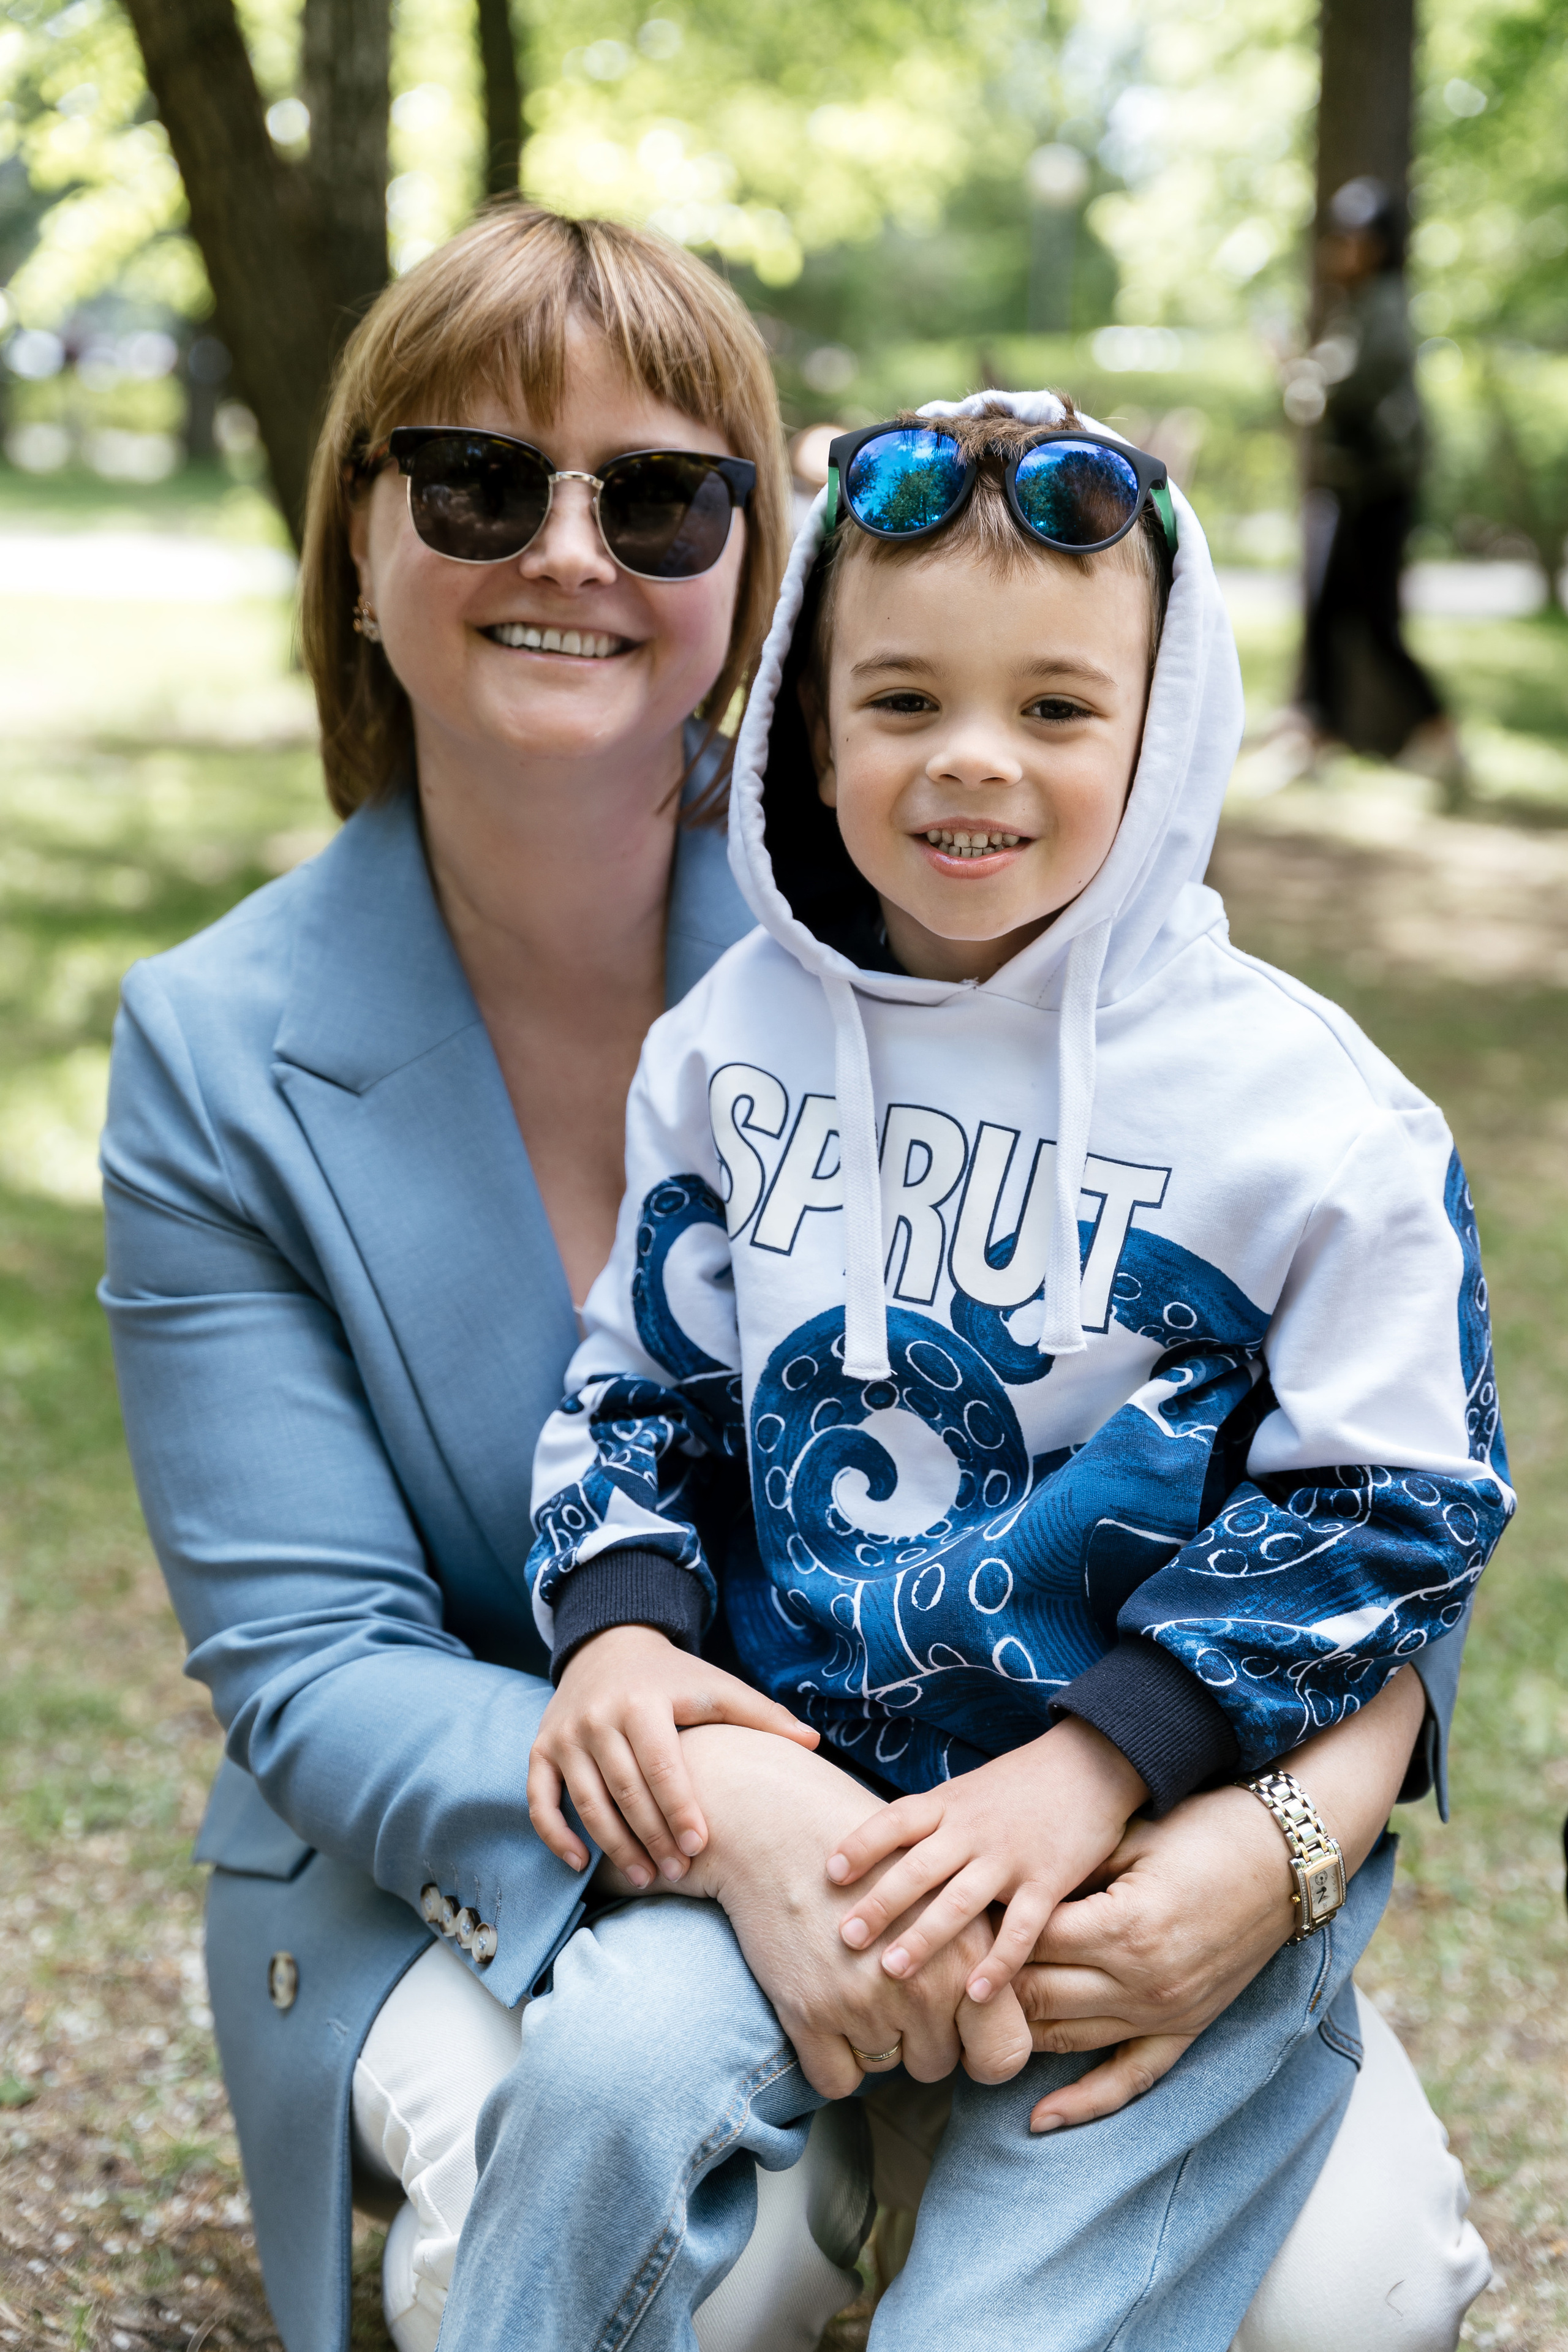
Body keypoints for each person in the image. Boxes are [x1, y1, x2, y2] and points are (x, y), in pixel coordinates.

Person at [98, 198, 1484, 2352]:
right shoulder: (241, 1048)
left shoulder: (1011, 936)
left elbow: (1374, 1463)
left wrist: (1275, 1826)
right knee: (680, 2240)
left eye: (657, 499)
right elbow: (322, 1645)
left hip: (1079, 1818)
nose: (568, 551)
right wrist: (713, 1791)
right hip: (576, 1847)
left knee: (1344, 2286)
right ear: (359, 541)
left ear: (748, 583)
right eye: (479, 482)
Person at [1294, 176, 1464, 797]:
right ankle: (1314, 736)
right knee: (1325, 613)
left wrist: (1305, 382)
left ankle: (1439, 733)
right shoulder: (1360, 305)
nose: (1344, 248)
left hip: (1378, 491)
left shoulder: (1384, 306)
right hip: (1357, 488)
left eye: (1356, 237)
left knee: (1373, 621)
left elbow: (1355, 387)